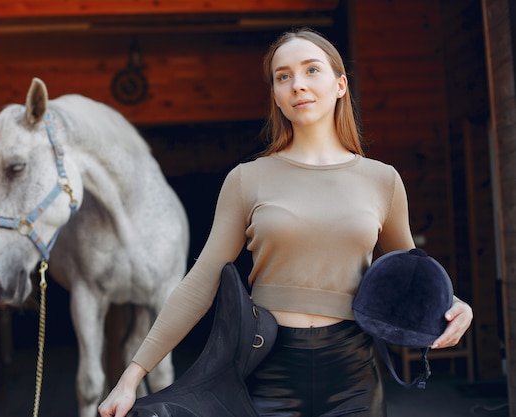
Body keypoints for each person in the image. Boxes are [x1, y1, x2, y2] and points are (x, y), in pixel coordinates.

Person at [99, 27, 473, 417]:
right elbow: (199, 283)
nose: (297, 85)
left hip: (353, 374)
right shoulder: (247, 179)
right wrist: (130, 378)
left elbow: (411, 275)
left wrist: (455, 304)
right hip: (267, 370)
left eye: (312, 70)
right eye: (283, 76)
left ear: (340, 85)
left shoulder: (382, 180)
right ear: (276, 96)